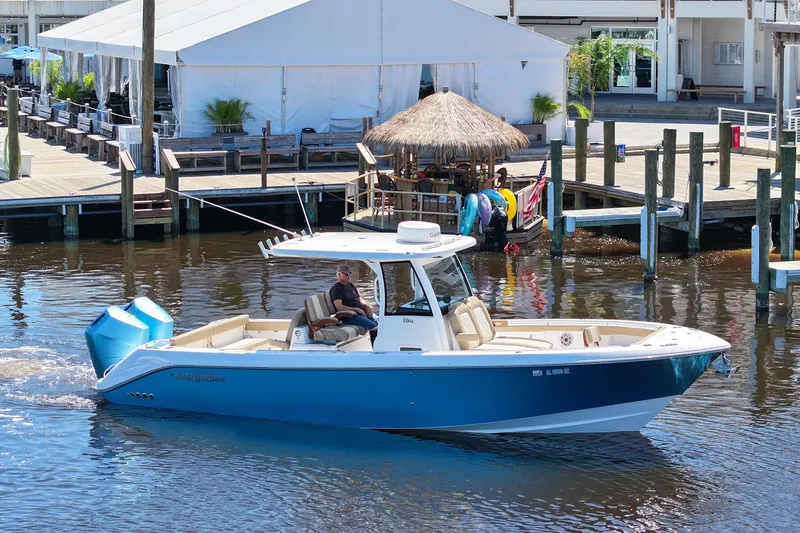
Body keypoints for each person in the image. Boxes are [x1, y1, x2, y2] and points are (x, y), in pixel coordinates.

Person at [330, 265, 378, 342]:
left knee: (380, 323)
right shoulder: (336, 288)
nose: (348, 276)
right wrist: (357, 309)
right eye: (346, 274)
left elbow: (359, 298)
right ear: (339, 275)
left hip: (361, 313)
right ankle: (377, 349)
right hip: (349, 316)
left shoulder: (350, 285)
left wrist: (366, 305)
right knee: (374, 327)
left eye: (349, 273)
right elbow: (339, 307)